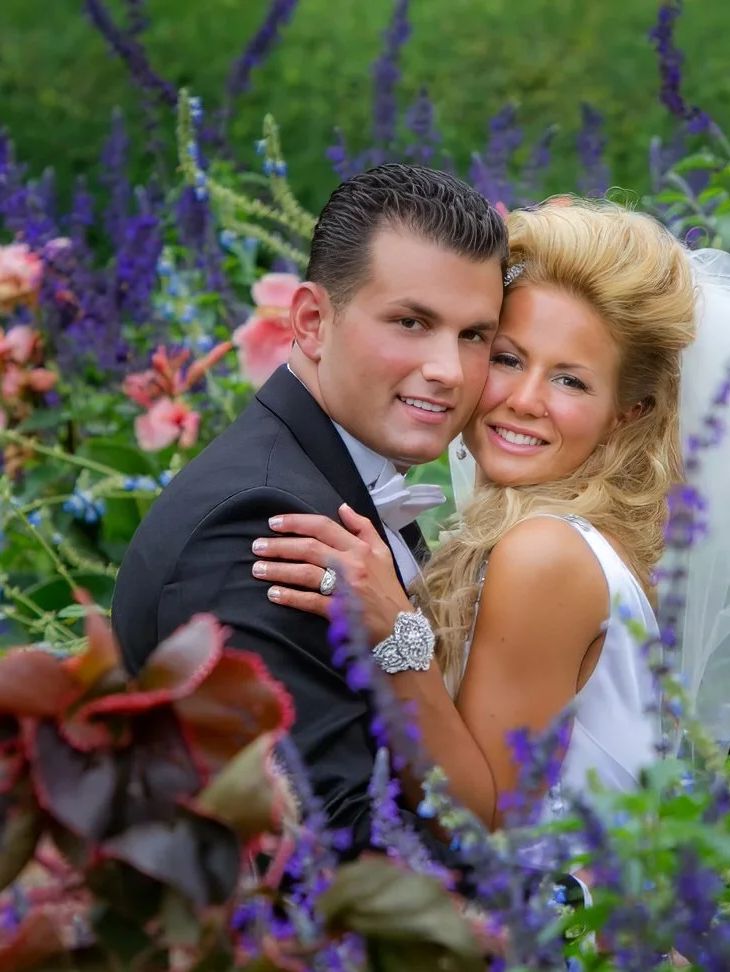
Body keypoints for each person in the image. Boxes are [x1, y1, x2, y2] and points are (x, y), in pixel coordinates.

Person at [252, 198, 730, 833]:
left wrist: (394, 633)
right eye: (508, 359)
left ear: (625, 413)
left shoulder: (545, 554)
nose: (523, 400)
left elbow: (484, 822)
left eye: (570, 381)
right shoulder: (561, 537)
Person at [109, 164, 507, 857]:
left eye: (475, 336)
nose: (449, 369)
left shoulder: (335, 476)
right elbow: (326, 841)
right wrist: (555, 906)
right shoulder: (259, 525)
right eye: (412, 322)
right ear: (313, 322)